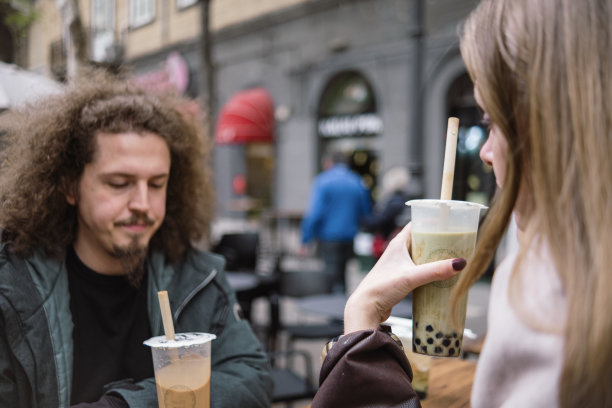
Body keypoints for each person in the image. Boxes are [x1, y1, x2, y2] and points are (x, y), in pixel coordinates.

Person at [312, 0, 612, 407]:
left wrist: (362, 318)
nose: (486, 153)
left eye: (491, 122)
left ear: (550, 122)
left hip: (334, 241)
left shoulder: (542, 295)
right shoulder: (552, 275)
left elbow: (326, 215)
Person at [0, 71, 272, 407]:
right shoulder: (13, 288)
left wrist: (128, 405)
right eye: (119, 183)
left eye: (157, 184)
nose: (143, 204)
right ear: (70, 187)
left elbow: (252, 375)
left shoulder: (197, 277)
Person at [300, 151, 371, 294]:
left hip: (328, 237)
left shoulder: (322, 181)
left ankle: (332, 311)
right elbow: (366, 211)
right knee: (343, 275)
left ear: (329, 163)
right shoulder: (357, 181)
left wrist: (305, 239)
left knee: (330, 277)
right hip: (349, 237)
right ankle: (341, 310)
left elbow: (315, 214)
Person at [363, 166, 412, 258]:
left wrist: (365, 220)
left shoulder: (394, 202)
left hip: (388, 242)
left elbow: (379, 221)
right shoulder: (403, 199)